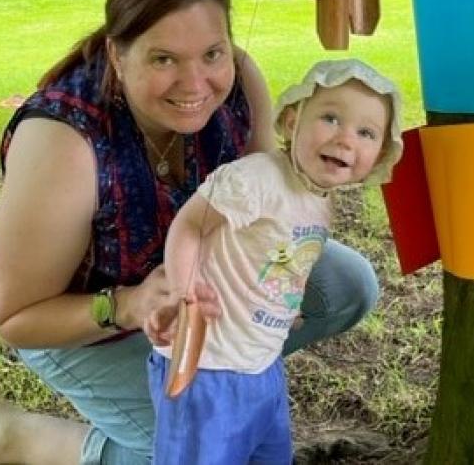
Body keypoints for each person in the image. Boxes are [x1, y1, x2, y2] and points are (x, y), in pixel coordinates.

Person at [0, 0, 383, 465]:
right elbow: (18, 316)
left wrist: (276, 288)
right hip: (85, 325)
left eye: (213, 54)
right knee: (187, 452)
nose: (195, 85)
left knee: (343, 284)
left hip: (197, 293)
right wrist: (130, 305)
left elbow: (274, 205)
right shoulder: (63, 143)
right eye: (164, 59)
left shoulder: (240, 84)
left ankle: (219, 389)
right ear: (118, 55)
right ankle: (6, 435)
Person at [144, 59, 403, 464]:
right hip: (208, 367)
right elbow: (190, 225)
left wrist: (285, 307)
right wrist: (183, 288)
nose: (345, 139)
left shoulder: (316, 199)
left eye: (366, 133)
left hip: (261, 364)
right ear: (290, 120)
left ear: (379, 154)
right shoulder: (257, 180)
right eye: (330, 118)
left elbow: (280, 258)